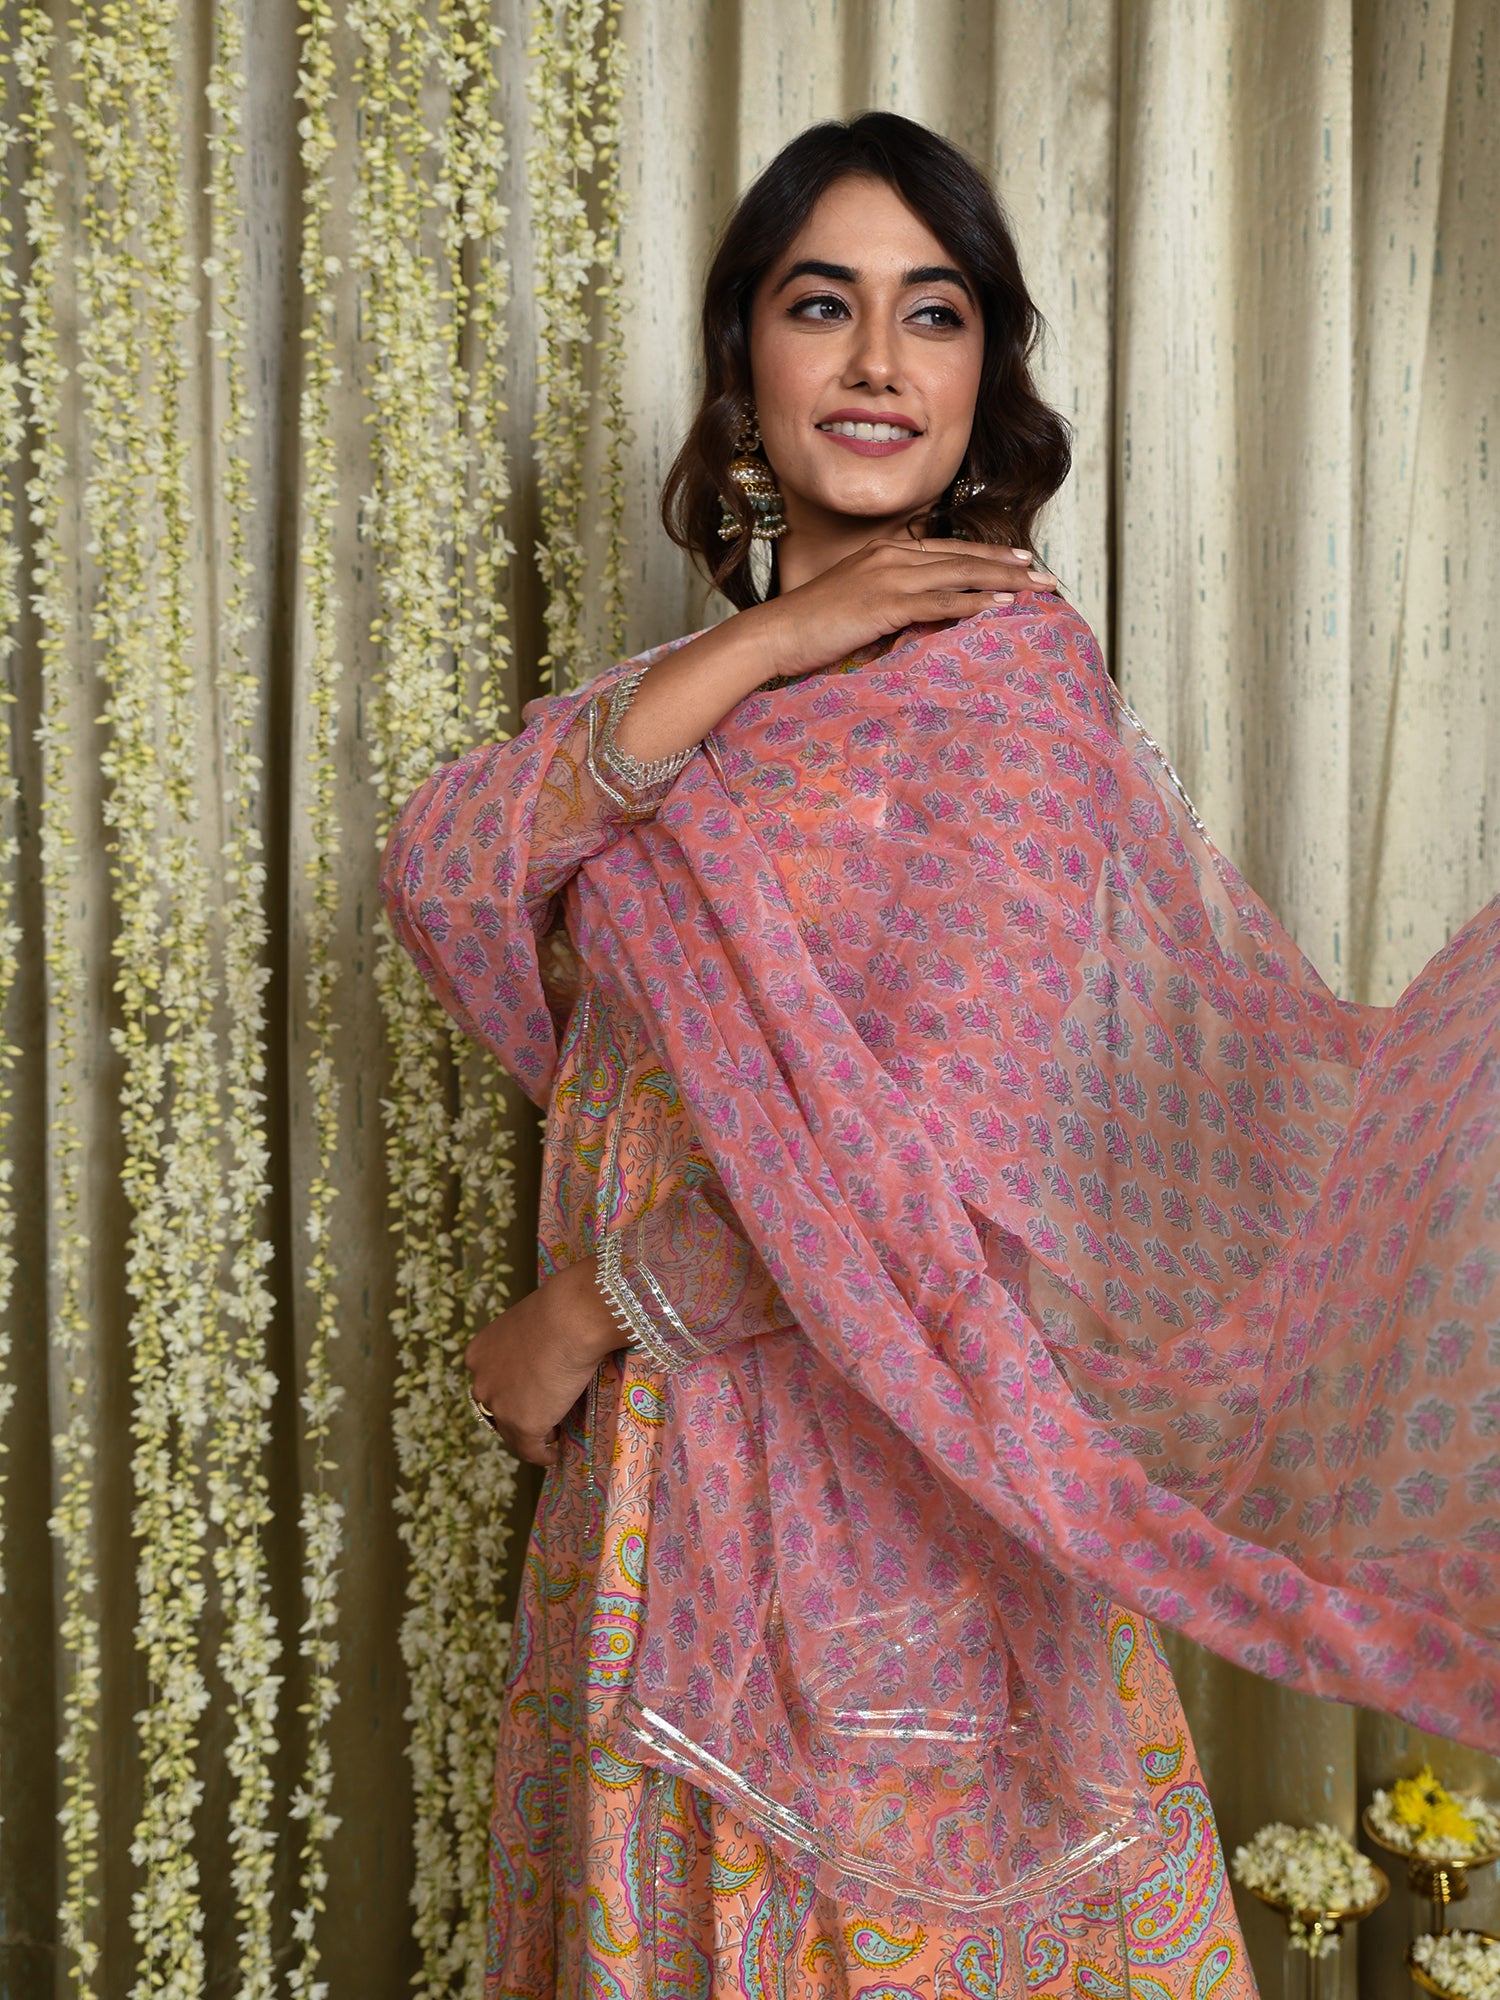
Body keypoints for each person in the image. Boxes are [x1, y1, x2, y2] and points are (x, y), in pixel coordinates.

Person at [381, 112, 1500, 2000]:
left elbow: (936, 1168)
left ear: (985, 379)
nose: (881, 362)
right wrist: (778, 638)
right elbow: (448, 870)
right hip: (661, 1479)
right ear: (746, 362)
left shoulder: (1005, 688)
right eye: (824, 306)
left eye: (936, 313)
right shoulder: (700, 702)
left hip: (883, 1492)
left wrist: (583, 1311)